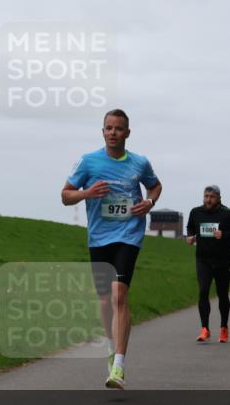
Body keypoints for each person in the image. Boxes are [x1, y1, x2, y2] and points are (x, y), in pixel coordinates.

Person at [62, 109, 161, 389]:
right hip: (99, 238)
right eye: (108, 128)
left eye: (119, 128)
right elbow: (65, 196)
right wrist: (86, 193)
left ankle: (119, 366)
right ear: (102, 131)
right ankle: (110, 346)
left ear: (127, 133)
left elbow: (155, 186)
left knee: (119, 296)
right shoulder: (89, 162)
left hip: (129, 235)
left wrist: (149, 203)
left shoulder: (140, 163)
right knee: (105, 301)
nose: (113, 133)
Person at [186, 185, 230, 343]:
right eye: (206, 196)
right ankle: (204, 329)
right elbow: (190, 227)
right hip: (203, 259)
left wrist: (225, 234)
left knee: (222, 295)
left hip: (222, 260)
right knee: (203, 291)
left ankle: (223, 328)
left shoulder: (228, 213)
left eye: (212, 197)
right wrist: (190, 237)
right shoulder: (196, 212)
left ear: (219, 198)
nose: (208, 199)